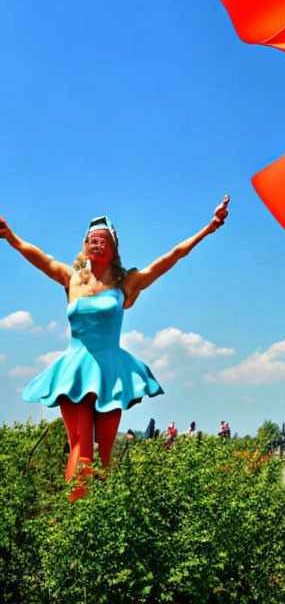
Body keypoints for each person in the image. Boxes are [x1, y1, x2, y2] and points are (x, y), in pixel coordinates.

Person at [0, 197, 229, 500]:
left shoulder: (125, 283)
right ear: (85, 245)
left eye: (103, 240)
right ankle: (75, 516)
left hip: (110, 371)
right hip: (76, 372)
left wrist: (209, 228)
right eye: (92, 240)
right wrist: (10, 236)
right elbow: (40, 257)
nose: (97, 245)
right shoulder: (71, 279)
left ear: (114, 248)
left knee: (104, 454)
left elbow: (172, 257)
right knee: (81, 447)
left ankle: (100, 516)